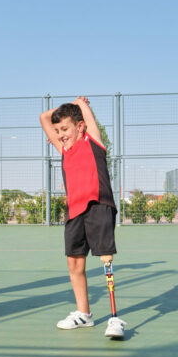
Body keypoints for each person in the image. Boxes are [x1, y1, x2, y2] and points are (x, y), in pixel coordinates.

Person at [39, 96, 126, 338]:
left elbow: (86, 119)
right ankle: (84, 314)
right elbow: (43, 118)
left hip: (98, 206)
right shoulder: (64, 149)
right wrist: (68, 106)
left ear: (80, 127)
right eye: (57, 131)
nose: (60, 134)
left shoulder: (94, 142)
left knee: (105, 259)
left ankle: (114, 318)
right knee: (74, 263)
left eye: (65, 129)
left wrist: (81, 105)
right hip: (74, 211)